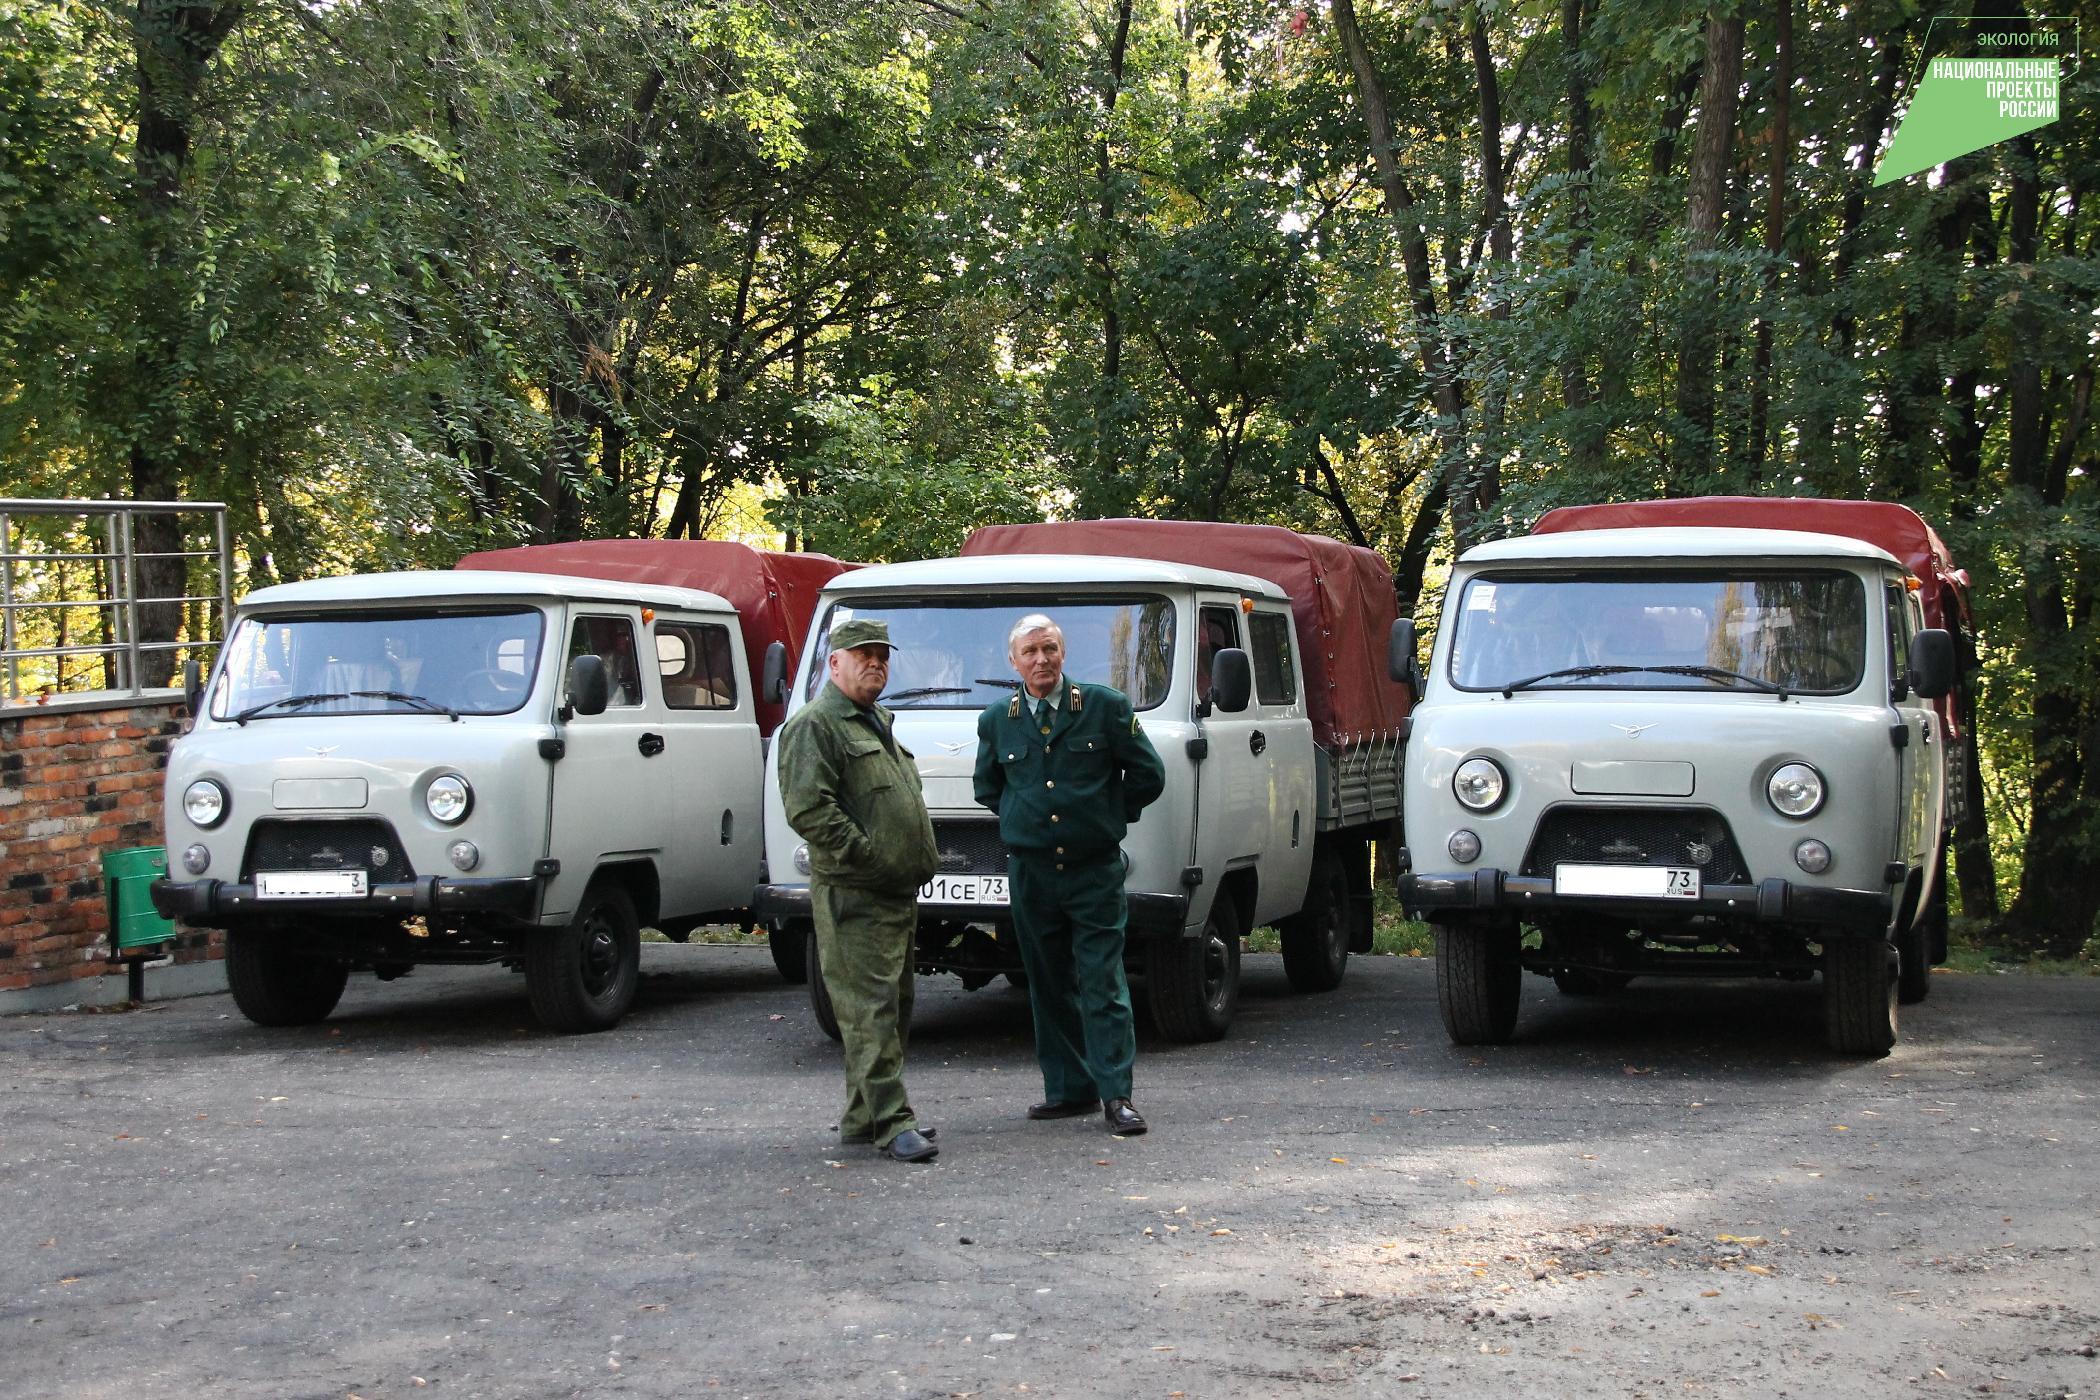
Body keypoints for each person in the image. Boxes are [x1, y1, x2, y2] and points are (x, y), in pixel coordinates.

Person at [974, 613, 1166, 1135]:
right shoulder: (997, 719)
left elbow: (1148, 774)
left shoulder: (1104, 707)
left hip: (1093, 870)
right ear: (1012, 662)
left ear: (1064, 654)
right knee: (1047, 983)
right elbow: (988, 789)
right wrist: (1027, 822)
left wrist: (1106, 815)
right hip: (1033, 874)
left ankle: (1116, 1095)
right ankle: (1067, 1090)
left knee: (1103, 981)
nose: (1041, 660)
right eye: (1031, 652)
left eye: (1050, 649)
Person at [776, 617, 943, 1163]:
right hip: (857, 894)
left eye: (882, 655)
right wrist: (868, 855)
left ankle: (862, 1115)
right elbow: (809, 809)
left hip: (893, 893)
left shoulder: (875, 720)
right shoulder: (816, 724)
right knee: (868, 1009)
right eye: (862, 653)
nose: (875, 662)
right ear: (835, 663)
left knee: (892, 1006)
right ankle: (893, 1122)